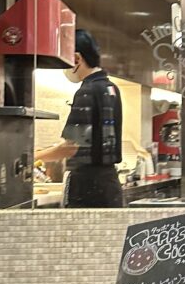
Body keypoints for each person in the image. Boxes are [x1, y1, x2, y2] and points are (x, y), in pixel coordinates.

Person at [35, 30, 124, 207]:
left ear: (76, 59)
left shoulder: (87, 91)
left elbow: (71, 147)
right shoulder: (111, 88)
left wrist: (34, 157)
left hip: (88, 187)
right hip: (110, 185)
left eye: (64, 61)